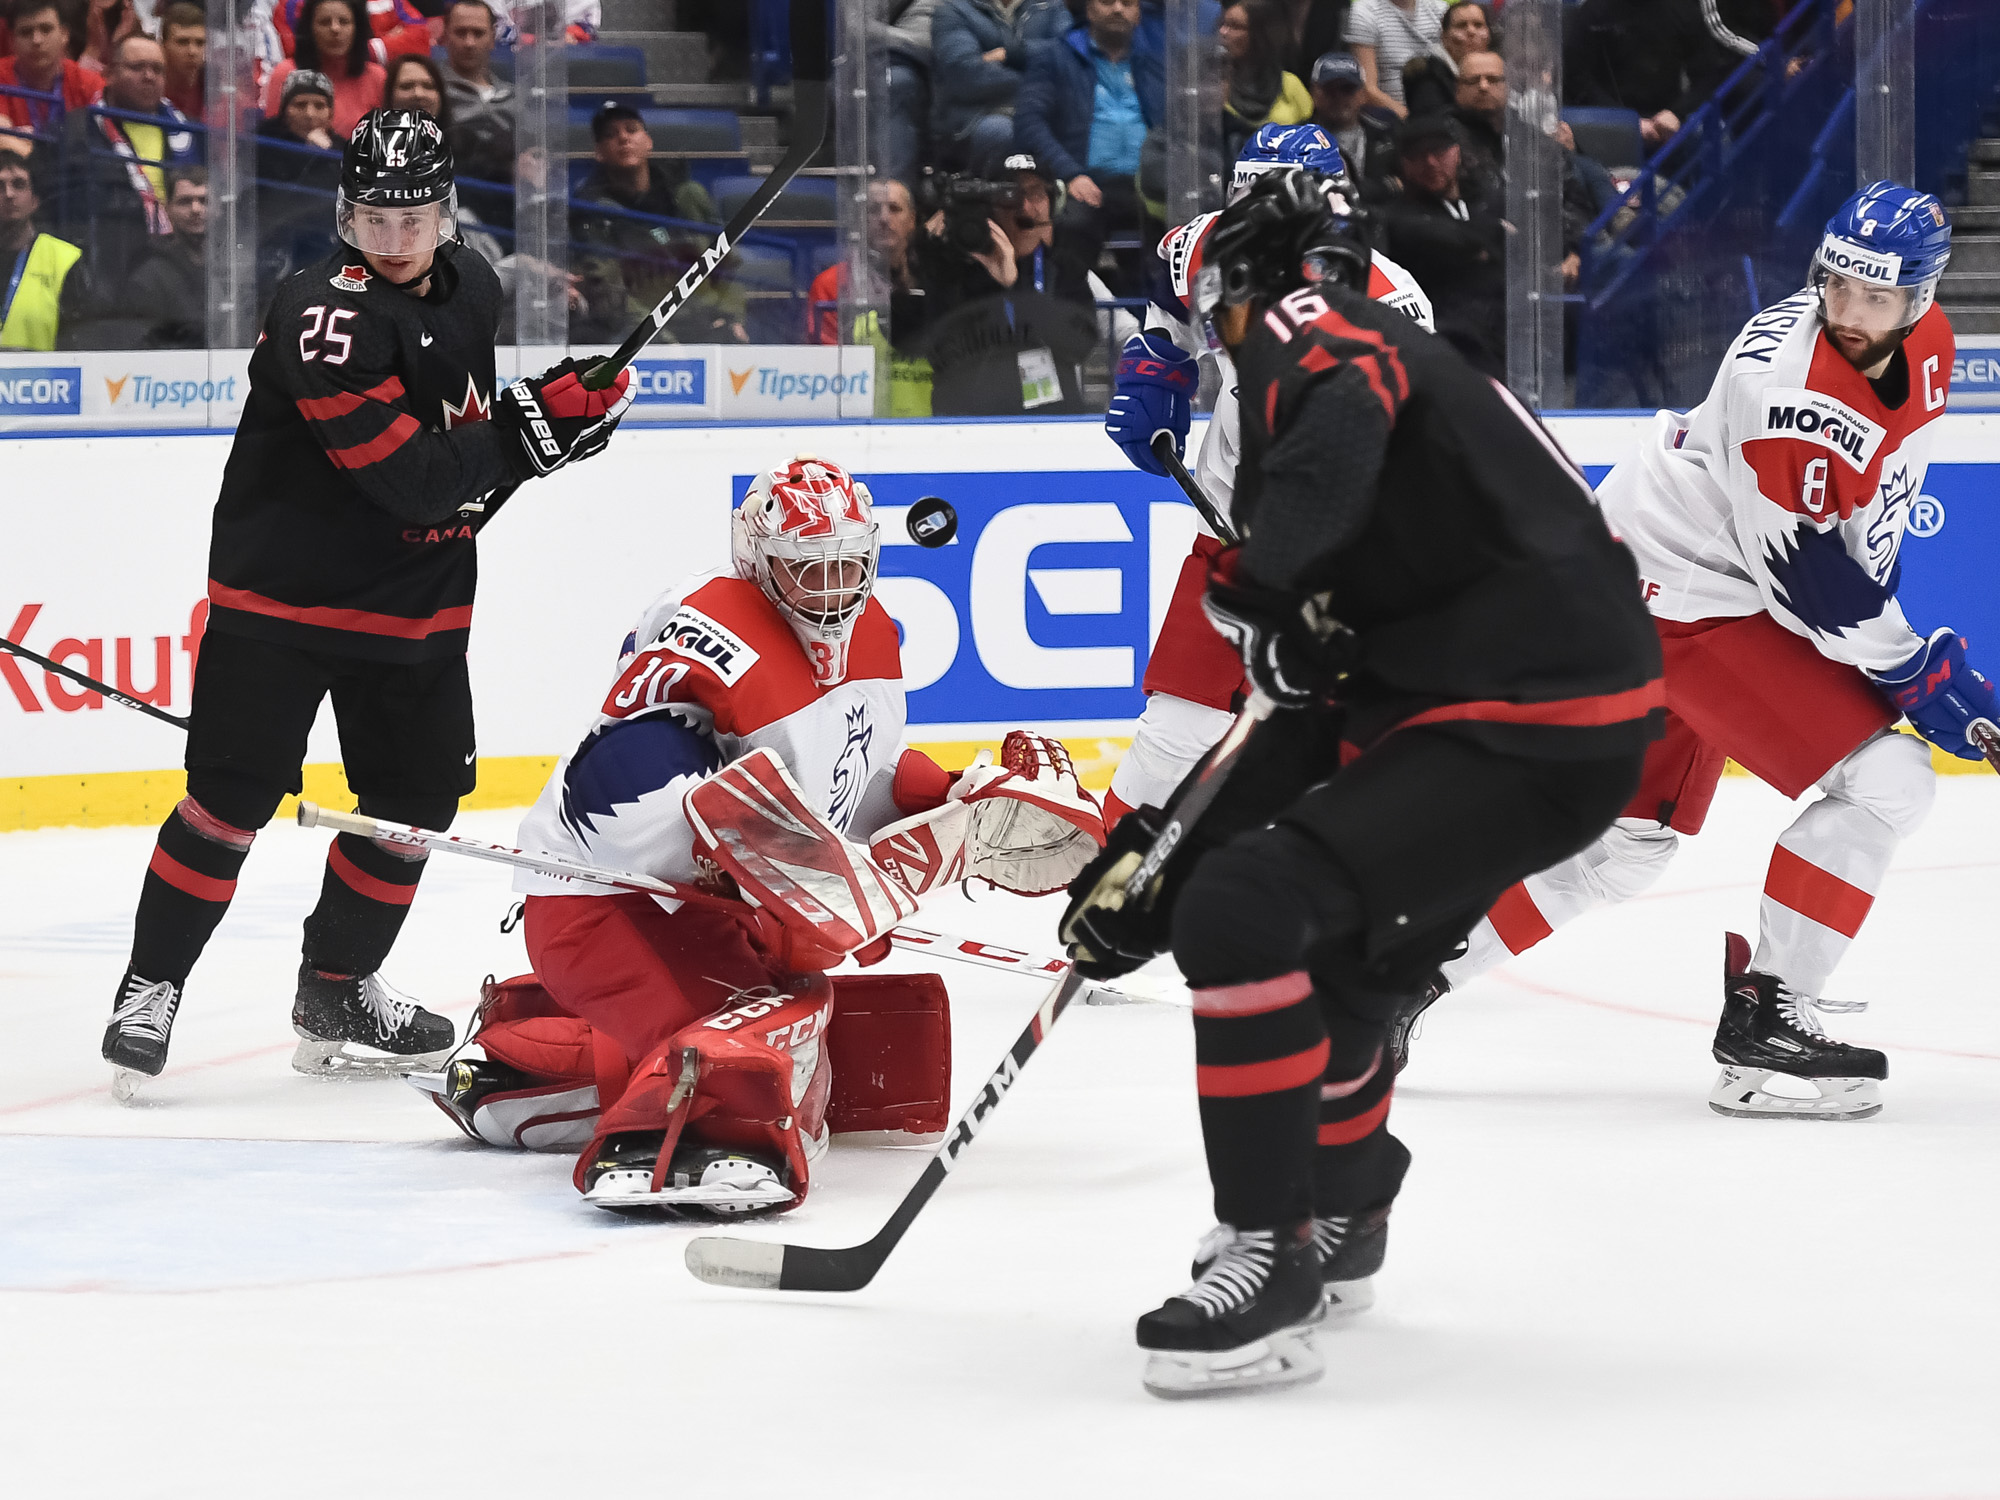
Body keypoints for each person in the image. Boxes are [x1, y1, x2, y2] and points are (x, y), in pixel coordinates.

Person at [1061, 168, 1663, 1399]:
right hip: (1552, 718)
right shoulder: (1376, 372)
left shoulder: (1313, 333)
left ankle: (1265, 1257)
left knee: (1244, 912)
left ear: (1228, 291)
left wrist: (1271, 579)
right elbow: (1298, 715)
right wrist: (1156, 865)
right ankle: (1341, 1213)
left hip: (1514, 711)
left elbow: (1336, 413)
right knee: (1331, 962)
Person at [98, 109, 635, 1100]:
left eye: (414, 216)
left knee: (415, 806)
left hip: (415, 604)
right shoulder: (322, 312)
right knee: (230, 801)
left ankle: (336, 993)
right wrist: (527, 431)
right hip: (279, 602)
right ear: (347, 215)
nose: (393, 239)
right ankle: (150, 984)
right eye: (375, 218)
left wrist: (553, 422)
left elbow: (461, 432)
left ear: (445, 215)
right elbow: (416, 479)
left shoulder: (473, 282)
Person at [1406, 184, 1964, 1122]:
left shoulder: (1927, 342)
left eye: (1877, 297)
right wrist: (1918, 669)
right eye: (1839, 289)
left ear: (1922, 295)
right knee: (1893, 779)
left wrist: (1915, 663)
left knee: (1623, 847)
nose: (1852, 314)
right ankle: (1765, 1030)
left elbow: (1864, 521)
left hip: (1665, 579)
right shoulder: (1790, 396)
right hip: (1685, 600)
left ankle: (1398, 977)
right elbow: (1808, 589)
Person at [417, 457, 1106, 1213]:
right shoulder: (710, 634)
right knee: (765, 1030)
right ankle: (684, 1135)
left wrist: (956, 794)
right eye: (807, 571)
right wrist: (949, 846)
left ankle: (521, 1071)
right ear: (758, 561)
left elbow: (861, 779)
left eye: (848, 568)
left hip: (713, 913)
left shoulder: (874, 635)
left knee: (797, 1021)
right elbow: (636, 794)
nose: (832, 592)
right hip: (610, 906)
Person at [1099, 123, 1432, 825]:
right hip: (1231, 537)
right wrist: (1160, 360)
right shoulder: (1204, 250)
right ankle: (1100, 881)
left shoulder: (1389, 304)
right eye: (1248, 202)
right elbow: (1169, 293)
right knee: (1174, 737)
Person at [899, 148, 1097, 416]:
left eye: (1036, 193)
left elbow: (1078, 346)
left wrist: (1015, 287)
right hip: (966, 426)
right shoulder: (956, 267)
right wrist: (922, 258)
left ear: (1053, 201)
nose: (1025, 208)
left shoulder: (1064, 267)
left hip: (1050, 425)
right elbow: (930, 349)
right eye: (1010, 195)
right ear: (987, 206)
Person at [1016, 0, 1163, 299]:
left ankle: (1168, 330)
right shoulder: (1055, 56)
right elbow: (1029, 123)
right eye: (1107, 1)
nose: (1118, 9)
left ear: (1138, 12)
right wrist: (1070, 174)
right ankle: (1072, 333)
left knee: (1182, 225)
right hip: (1086, 182)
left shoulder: (1157, 61)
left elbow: (1181, 124)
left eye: (1128, 3)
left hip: (1148, 185)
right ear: (1088, 9)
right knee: (1073, 224)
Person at [569, 99, 739, 346]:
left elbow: (727, 261)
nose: (623, 138)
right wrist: (661, 338)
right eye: (610, 134)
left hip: (702, 323)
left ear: (648, 141)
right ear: (599, 152)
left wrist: (732, 316)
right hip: (639, 334)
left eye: (631, 129)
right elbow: (608, 287)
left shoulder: (687, 195)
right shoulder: (592, 210)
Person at [56, 33, 199, 287]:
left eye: (157, 69)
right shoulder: (77, 132)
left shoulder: (191, 132)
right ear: (110, 73)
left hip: (182, 264)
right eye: (137, 67)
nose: (148, 76)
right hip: (111, 265)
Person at [1378, 112, 1504, 377]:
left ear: (1456, 151)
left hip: (1507, 328)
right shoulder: (1398, 216)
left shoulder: (1488, 199)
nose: (1431, 162)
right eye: (1417, 156)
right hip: (1451, 339)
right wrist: (1493, 232)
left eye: (1438, 151)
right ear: (1403, 163)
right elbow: (1447, 240)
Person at [1563, 0, 1735, 152]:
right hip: (1609, 116)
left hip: (1666, 118)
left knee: (1716, 135)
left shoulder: (1682, 8)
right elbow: (1577, 76)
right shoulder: (1596, 10)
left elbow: (1707, 75)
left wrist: (1677, 113)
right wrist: (1626, 122)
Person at [928, 0, 1068, 174]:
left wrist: (1010, 54)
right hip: (977, 117)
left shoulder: (1051, 6)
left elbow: (1070, 56)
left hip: (1043, 113)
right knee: (1004, 132)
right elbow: (966, 74)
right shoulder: (954, 10)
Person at [809, 175, 918, 345]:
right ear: (860, 220)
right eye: (873, 210)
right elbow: (827, 362)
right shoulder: (830, 285)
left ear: (912, 220)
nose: (884, 218)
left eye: (894, 209)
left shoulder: (933, 280)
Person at [0, 147, 90, 348]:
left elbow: (79, 343)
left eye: (19, 185)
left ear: (35, 200)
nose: (8, 194)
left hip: (45, 378)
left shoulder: (65, 259)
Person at [263, 0, 386, 138]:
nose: (335, 29)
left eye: (344, 22)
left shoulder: (377, 77)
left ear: (357, 28)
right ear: (310, 28)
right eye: (325, 22)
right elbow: (270, 135)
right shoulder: (287, 72)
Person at [1220, 0, 1313, 163]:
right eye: (1223, 24)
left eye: (1234, 26)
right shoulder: (1215, 86)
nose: (1223, 32)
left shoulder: (1290, 85)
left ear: (1260, 33)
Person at [124, 162, 202, 345]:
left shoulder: (237, 266)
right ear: (168, 209)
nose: (196, 210)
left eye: (204, 201)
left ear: (220, 208)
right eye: (185, 202)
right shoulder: (150, 273)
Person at [437, 0, 514, 185]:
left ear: (493, 36)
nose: (469, 43)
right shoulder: (431, 90)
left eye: (478, 33)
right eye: (460, 32)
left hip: (505, 198)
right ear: (446, 34)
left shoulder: (514, 97)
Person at [0, 0, 102, 138]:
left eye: (46, 29)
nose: (37, 40)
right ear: (11, 40)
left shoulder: (89, 83)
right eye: (25, 32)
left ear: (64, 34)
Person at [1307, 51, 1395, 194]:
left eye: (1347, 89)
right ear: (1314, 93)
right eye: (1330, 90)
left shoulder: (1388, 133)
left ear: (1362, 94)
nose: (1339, 97)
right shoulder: (1295, 139)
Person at [1343, 0, 1444, 118]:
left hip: (1439, 111)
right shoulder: (1364, 11)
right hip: (1390, 118)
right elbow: (1368, 90)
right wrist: (1413, 120)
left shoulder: (1439, 8)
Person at [1401, 0, 1488, 120]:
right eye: (1461, 26)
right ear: (1444, 36)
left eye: (1478, 25)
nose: (1471, 32)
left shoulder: (1497, 73)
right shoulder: (1425, 77)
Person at [158, 0, 203, 120]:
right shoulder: (149, 86)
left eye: (200, 43)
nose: (192, 51)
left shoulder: (220, 93)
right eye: (182, 42)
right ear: (162, 45)